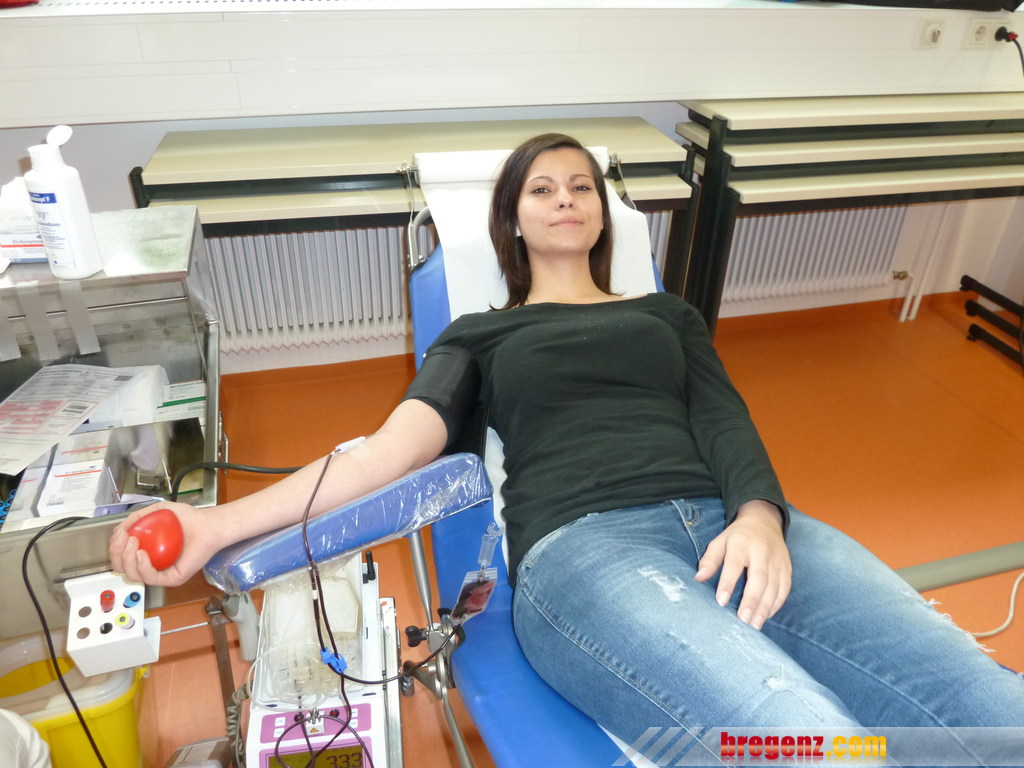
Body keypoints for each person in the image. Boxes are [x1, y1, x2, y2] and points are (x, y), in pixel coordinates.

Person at [111, 134, 1024, 754]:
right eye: (542, 189)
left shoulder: (665, 315)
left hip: (736, 526)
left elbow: (724, 419)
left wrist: (758, 514)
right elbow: (388, 452)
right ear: (512, 219)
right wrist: (214, 525)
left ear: (603, 213)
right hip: (592, 555)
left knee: (988, 707)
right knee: (810, 743)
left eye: (582, 186)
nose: (566, 199)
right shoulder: (481, 333)